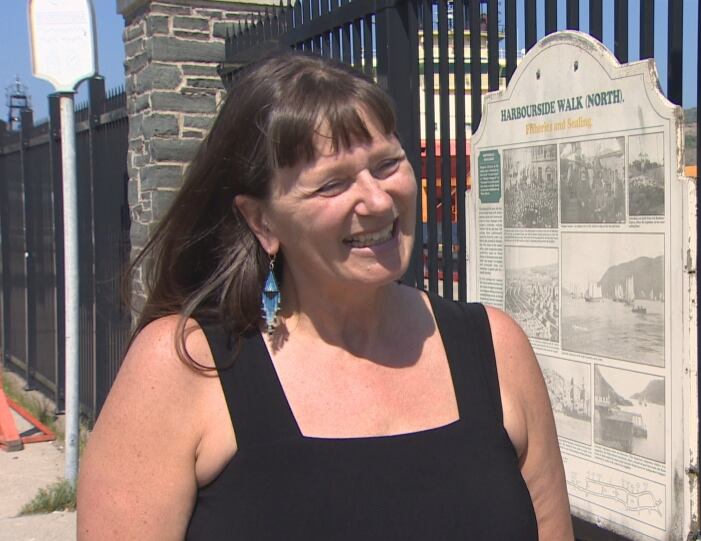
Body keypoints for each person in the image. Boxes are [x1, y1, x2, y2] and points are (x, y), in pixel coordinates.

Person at [77, 51, 573, 540]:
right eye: (332, 184)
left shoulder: (494, 348)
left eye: (387, 164)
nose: (378, 200)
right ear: (262, 221)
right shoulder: (185, 367)